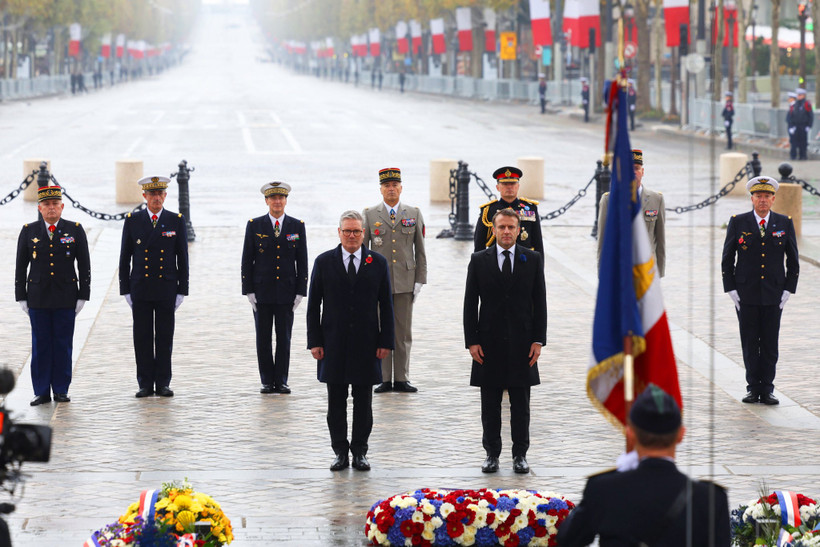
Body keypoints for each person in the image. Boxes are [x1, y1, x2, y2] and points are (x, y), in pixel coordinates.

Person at [556, 384, 731, 546]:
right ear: (681, 434)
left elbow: (567, 539)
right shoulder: (711, 499)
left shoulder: (603, 488)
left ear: (630, 434)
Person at [307, 210, 394, 472]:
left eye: (356, 231)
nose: (352, 236)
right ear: (339, 232)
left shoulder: (377, 262)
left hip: (367, 344)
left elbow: (386, 306)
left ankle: (360, 452)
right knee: (336, 402)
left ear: (363, 233)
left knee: (363, 402)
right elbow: (314, 306)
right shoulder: (324, 262)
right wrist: (315, 341)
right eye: (347, 231)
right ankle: (339, 452)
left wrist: (386, 341)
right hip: (333, 343)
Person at [463, 208, 547, 474]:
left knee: (521, 404)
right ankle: (491, 454)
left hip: (523, 344)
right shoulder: (479, 260)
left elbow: (540, 302)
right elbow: (469, 303)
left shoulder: (532, 259)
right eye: (502, 227)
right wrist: (471, 341)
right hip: (488, 343)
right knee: (490, 405)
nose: (507, 232)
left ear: (518, 229)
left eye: (511, 227)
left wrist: (538, 340)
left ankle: (520, 454)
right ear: (494, 229)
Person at [722, 176, 798, 406]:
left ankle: (767, 389)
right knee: (749, 342)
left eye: (767, 196)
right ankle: (752, 388)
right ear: (752, 198)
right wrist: (731, 288)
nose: (762, 201)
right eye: (758, 196)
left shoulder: (784, 223)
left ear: (773, 199)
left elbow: (792, 260)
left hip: (774, 293)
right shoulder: (738, 222)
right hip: (746, 293)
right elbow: (727, 259)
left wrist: (788, 289)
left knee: (769, 343)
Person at [15, 185, 90, 406]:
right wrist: (21, 296)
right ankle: (41, 391)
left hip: (66, 296)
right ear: (39, 207)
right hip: (37, 298)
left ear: (62, 206)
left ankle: (60, 389)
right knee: (40, 345)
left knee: (63, 344)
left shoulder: (74, 230)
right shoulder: (29, 231)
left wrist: (83, 295)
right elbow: (20, 267)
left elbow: (84, 265)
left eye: (55, 204)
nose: (51, 208)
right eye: (46, 205)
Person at [119, 176, 189, 398]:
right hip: (140, 287)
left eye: (160, 194)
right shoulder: (133, 220)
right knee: (142, 337)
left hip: (166, 288)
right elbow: (124, 258)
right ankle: (145, 383)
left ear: (165, 196)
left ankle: (163, 382)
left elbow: (182, 258)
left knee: (164, 337)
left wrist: (182, 290)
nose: (156, 198)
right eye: (152, 194)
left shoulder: (175, 220)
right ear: (144, 196)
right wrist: (125, 289)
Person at [363, 168, 427, 393]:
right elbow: (364, 251)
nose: (391, 189)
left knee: (402, 332)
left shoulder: (413, 213)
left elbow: (420, 249)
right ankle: (383, 377)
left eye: (395, 185)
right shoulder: (370, 214)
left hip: (404, 280)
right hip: (378, 282)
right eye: (386, 186)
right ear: (380, 189)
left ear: (401, 188)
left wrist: (420, 279)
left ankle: (401, 377)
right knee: (379, 329)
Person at [241, 181, 308, 394]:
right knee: (263, 338)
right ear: (266, 201)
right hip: (262, 291)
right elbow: (247, 260)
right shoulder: (255, 225)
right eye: (273, 198)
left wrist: (300, 291)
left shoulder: (297, 226)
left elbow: (303, 261)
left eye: (281, 198)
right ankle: (267, 380)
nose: (277, 202)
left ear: (286, 200)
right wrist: (248, 290)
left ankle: (282, 380)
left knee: (284, 337)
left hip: (286, 291)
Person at [597, 149, 665, 277]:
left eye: (636, 168)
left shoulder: (657, 199)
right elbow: (602, 243)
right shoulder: (608, 201)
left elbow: (660, 241)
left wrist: (659, 274)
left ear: (642, 172)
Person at [474, 166, 543, 256]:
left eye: (513, 184)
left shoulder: (530, 208)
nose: (509, 187)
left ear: (518, 186)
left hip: (524, 260)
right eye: (505, 184)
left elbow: (538, 242)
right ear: (498, 187)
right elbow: (479, 243)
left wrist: (539, 268)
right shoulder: (488, 210)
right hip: (495, 260)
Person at [790, 88, 814, 160]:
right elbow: (792, 115)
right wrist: (792, 126)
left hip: (803, 125)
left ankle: (803, 156)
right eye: (798, 95)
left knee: (803, 142)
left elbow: (810, 115)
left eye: (800, 95)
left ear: (803, 95)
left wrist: (809, 125)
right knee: (796, 141)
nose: (798, 96)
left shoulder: (807, 104)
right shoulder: (795, 104)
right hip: (796, 126)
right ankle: (795, 156)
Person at [787, 91, 798, 160]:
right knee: (792, 141)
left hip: (794, 127)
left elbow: (795, 117)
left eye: (790, 98)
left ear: (793, 99)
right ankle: (792, 156)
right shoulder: (791, 106)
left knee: (794, 142)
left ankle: (794, 156)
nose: (788, 99)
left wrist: (793, 126)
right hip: (791, 126)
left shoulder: (795, 106)